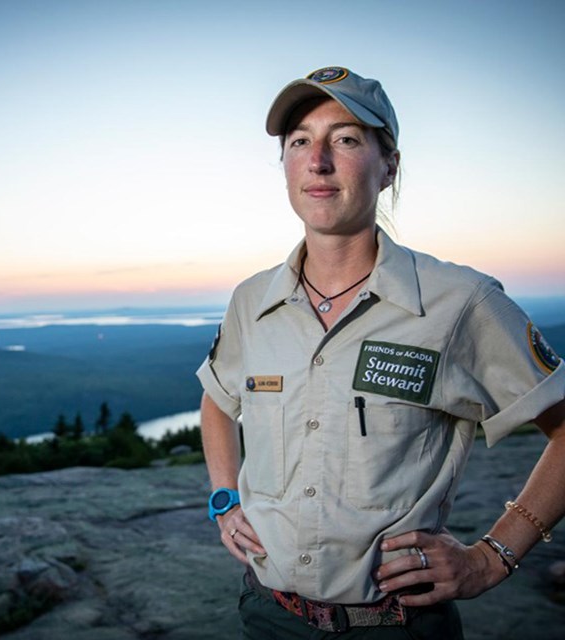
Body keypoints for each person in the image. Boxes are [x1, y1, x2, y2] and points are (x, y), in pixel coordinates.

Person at [196, 66, 565, 639]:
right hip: (270, 617)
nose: (317, 160)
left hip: (395, 627)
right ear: (285, 167)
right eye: (299, 142)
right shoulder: (253, 301)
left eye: (344, 138)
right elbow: (218, 399)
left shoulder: (460, 303)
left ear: (388, 165)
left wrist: (493, 557)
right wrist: (225, 498)